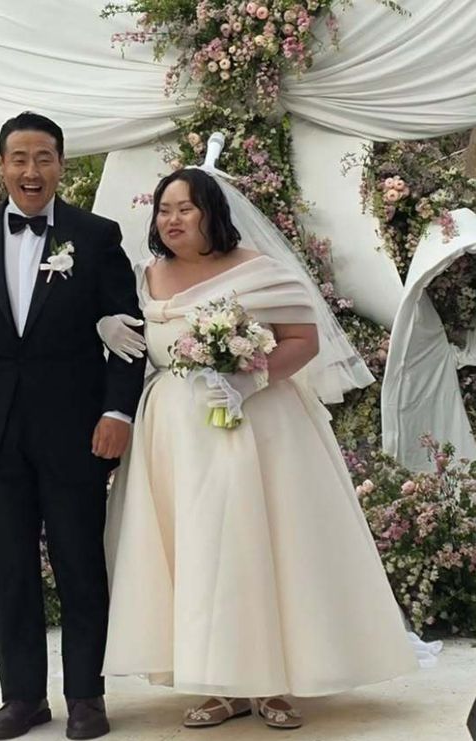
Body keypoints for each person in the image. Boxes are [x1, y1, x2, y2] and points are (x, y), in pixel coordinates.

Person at [100, 167, 418, 729]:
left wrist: (249, 379)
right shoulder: (145, 275)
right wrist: (101, 322)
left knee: (252, 547)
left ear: (212, 213)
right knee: (195, 553)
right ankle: (218, 684)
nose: (172, 220)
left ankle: (271, 683)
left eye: (185, 209)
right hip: (172, 434)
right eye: (164, 210)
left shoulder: (260, 271)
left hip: (253, 427)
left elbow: (304, 340)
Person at [0, 111, 145, 740]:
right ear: (1, 166)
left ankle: (86, 696)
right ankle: (22, 697)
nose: (31, 170)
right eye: (19, 158)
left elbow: (128, 334)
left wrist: (117, 411)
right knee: (11, 573)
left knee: (81, 566)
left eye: (43, 157)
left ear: (60, 164)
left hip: (76, 431)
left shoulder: (95, 236)